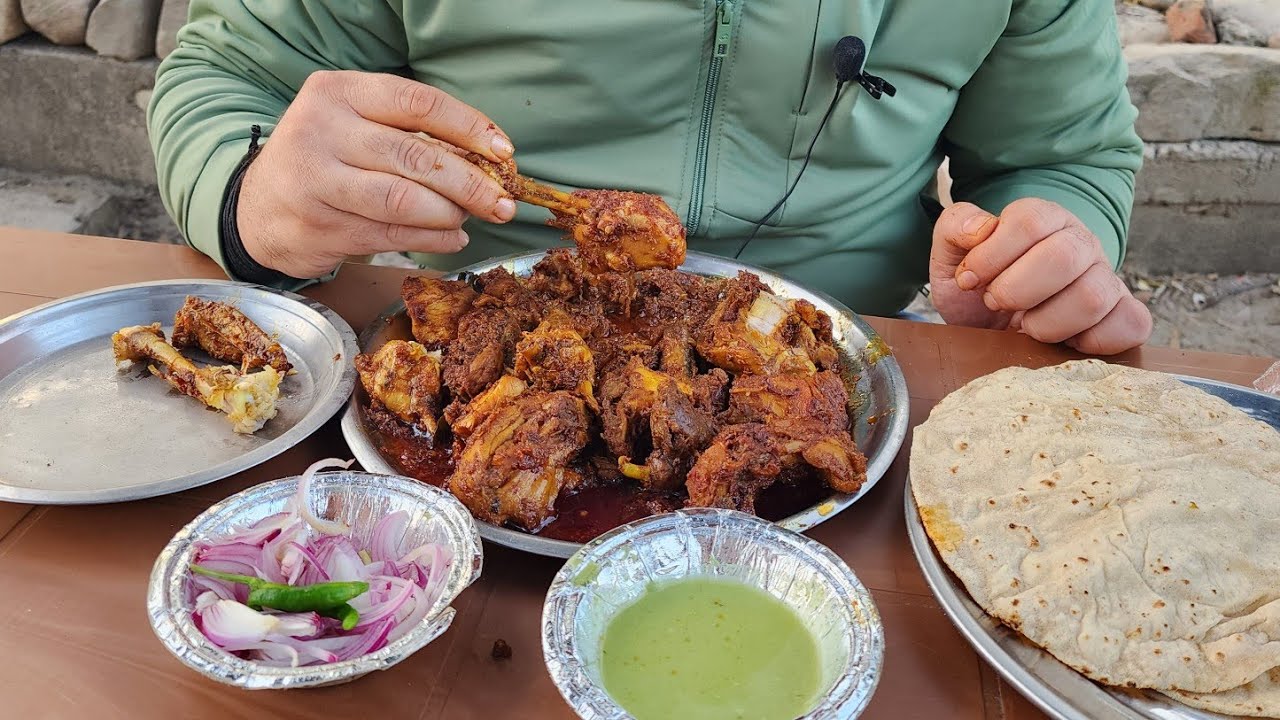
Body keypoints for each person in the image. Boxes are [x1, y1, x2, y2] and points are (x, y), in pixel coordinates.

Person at [148, 0, 1153, 355]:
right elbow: (226, 75)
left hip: (850, 350)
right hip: (460, 330)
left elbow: (1063, 153)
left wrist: (1042, 248)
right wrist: (252, 200)